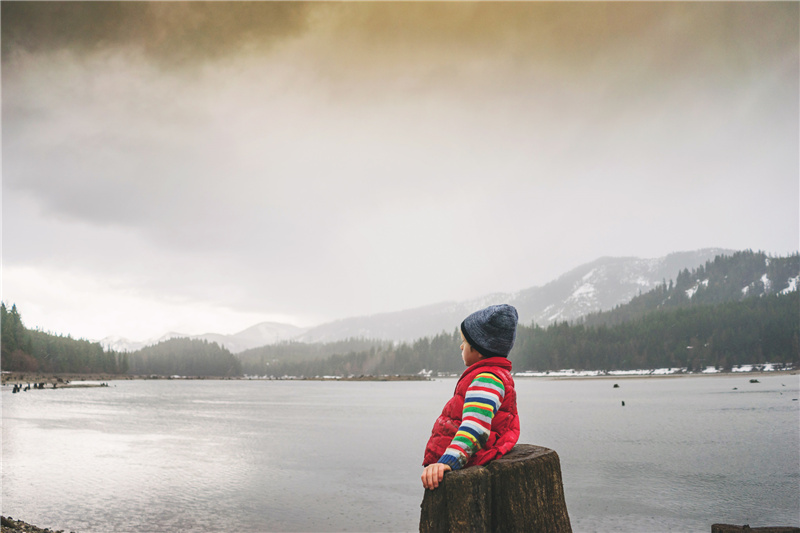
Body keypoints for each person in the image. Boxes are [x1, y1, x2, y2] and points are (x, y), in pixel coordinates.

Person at [421, 304, 520, 490]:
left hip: (465, 466)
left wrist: (449, 461)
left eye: (464, 342)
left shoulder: (487, 379)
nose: (461, 346)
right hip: (464, 462)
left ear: (480, 349)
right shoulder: (487, 375)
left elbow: (476, 427)